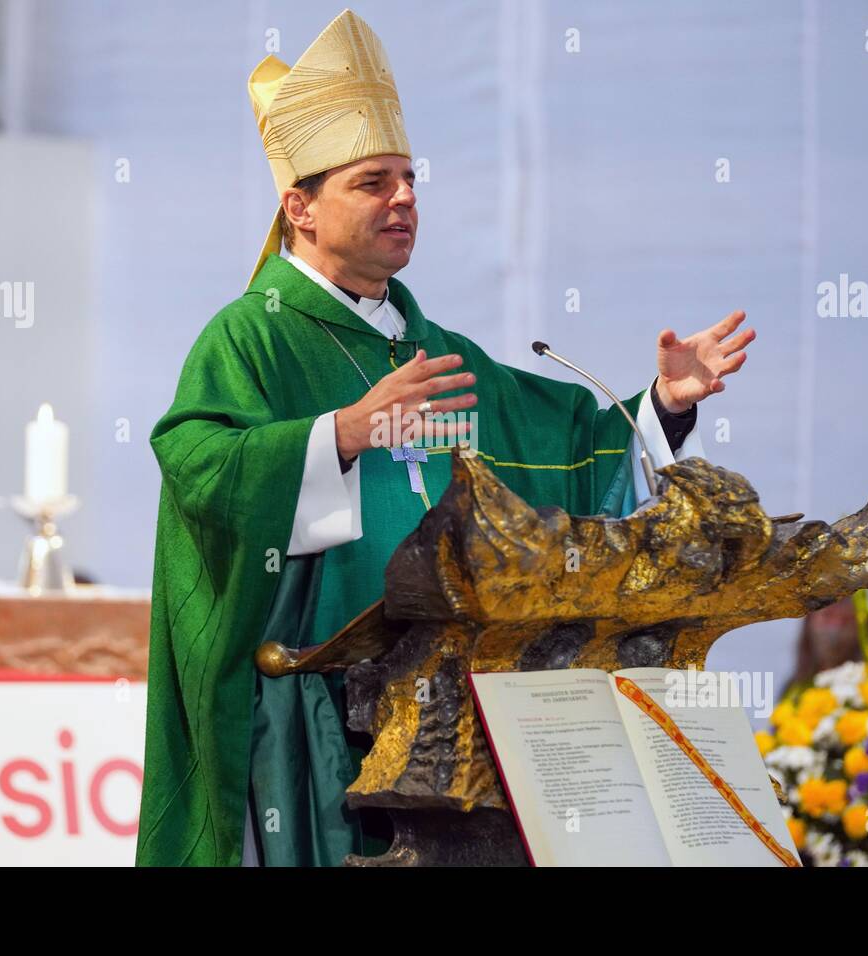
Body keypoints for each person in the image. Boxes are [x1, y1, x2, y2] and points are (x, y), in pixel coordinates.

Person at [135, 8, 755, 866]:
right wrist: (343, 434)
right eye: (373, 182)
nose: (404, 198)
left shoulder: (443, 356)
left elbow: (568, 450)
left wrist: (663, 404)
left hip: (451, 717)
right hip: (315, 715)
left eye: (409, 178)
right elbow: (197, 464)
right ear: (298, 207)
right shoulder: (252, 337)